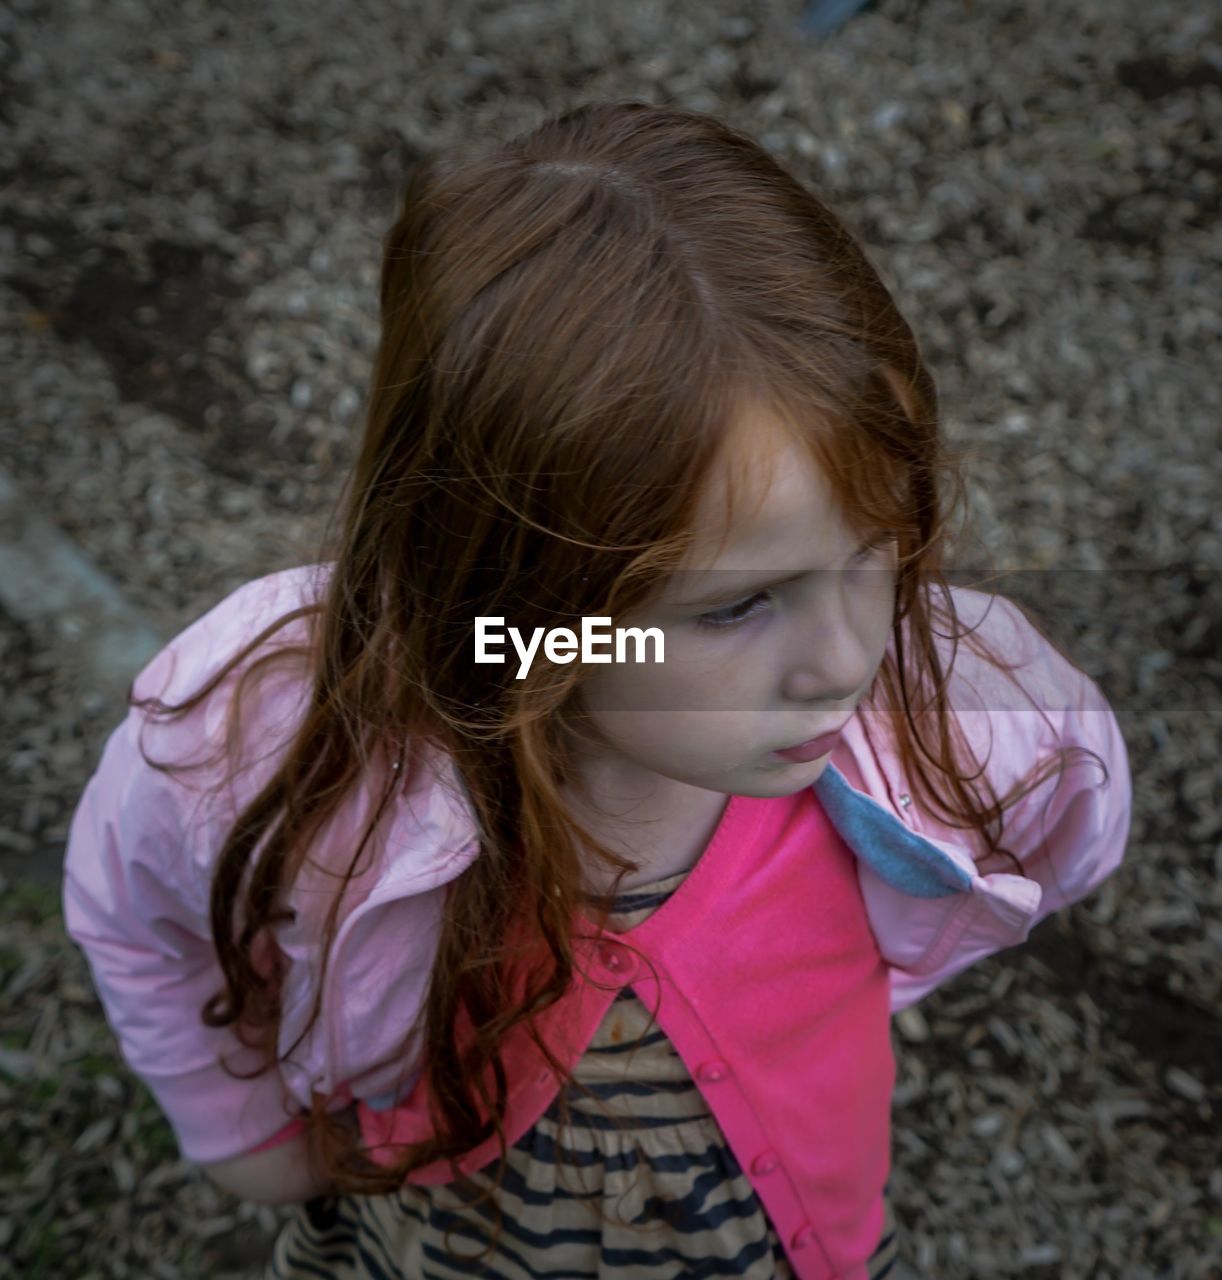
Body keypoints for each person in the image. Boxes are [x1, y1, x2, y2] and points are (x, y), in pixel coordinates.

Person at [62, 100, 1132, 1280]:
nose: (847, 657)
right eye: (736, 604)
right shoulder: (272, 731)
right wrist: (241, 1132)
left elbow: (1059, 828)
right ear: (508, 577)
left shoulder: (969, 714)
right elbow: (135, 903)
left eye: (877, 548)